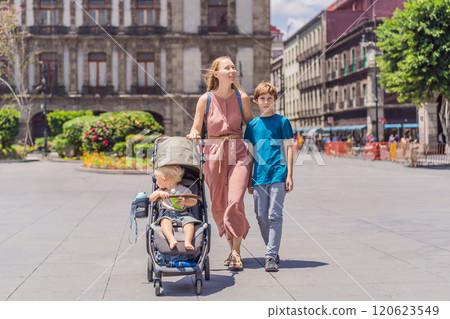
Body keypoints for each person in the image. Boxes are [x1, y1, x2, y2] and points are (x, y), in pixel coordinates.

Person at [186, 56, 254, 270]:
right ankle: (232, 249)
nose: (232, 70)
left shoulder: (241, 97)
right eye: (227, 68)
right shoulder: (204, 100)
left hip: (238, 151)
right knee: (218, 205)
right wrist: (193, 134)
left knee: (235, 200)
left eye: (233, 67)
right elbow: (196, 127)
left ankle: (236, 252)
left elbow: (251, 125)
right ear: (216, 73)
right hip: (214, 153)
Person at [244, 82, 294, 272]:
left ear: (275, 100)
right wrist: (249, 178)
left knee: (274, 215)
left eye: (270, 99)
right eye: (262, 99)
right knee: (260, 215)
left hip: (278, 173)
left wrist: (289, 174)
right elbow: (249, 154)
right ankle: (271, 249)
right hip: (258, 175)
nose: (266, 102)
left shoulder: (283, 122)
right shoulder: (252, 126)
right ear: (256, 101)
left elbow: (289, 149)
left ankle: (270, 256)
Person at [150, 165, 201, 250]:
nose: (156, 182)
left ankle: (187, 241)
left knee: (189, 223)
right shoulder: (161, 190)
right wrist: (158, 194)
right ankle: (171, 240)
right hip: (167, 214)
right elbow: (152, 198)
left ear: (164, 179)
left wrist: (185, 201)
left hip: (184, 214)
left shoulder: (184, 189)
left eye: (157, 179)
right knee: (164, 222)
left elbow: (194, 201)